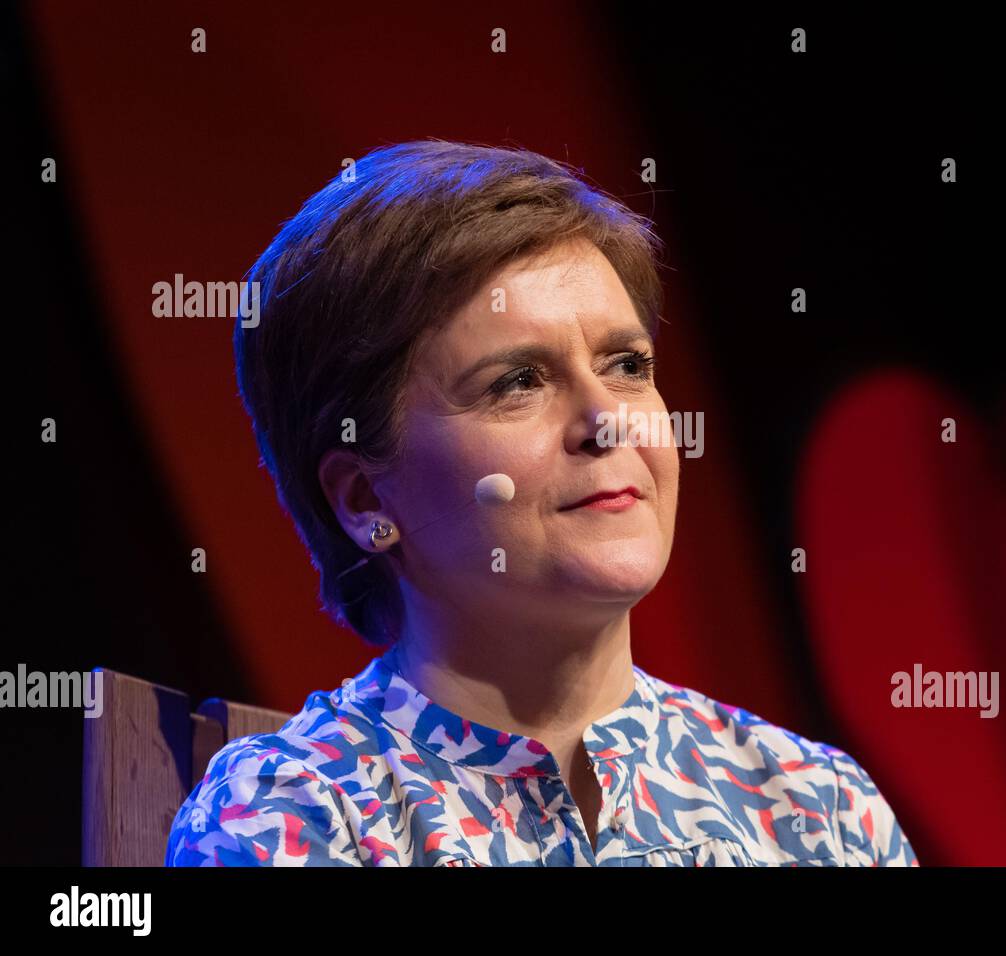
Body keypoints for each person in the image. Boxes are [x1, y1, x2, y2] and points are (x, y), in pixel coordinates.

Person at [166, 139, 917, 866]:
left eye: (627, 365)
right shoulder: (295, 814)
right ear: (365, 497)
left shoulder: (817, 808)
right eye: (517, 382)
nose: (607, 420)